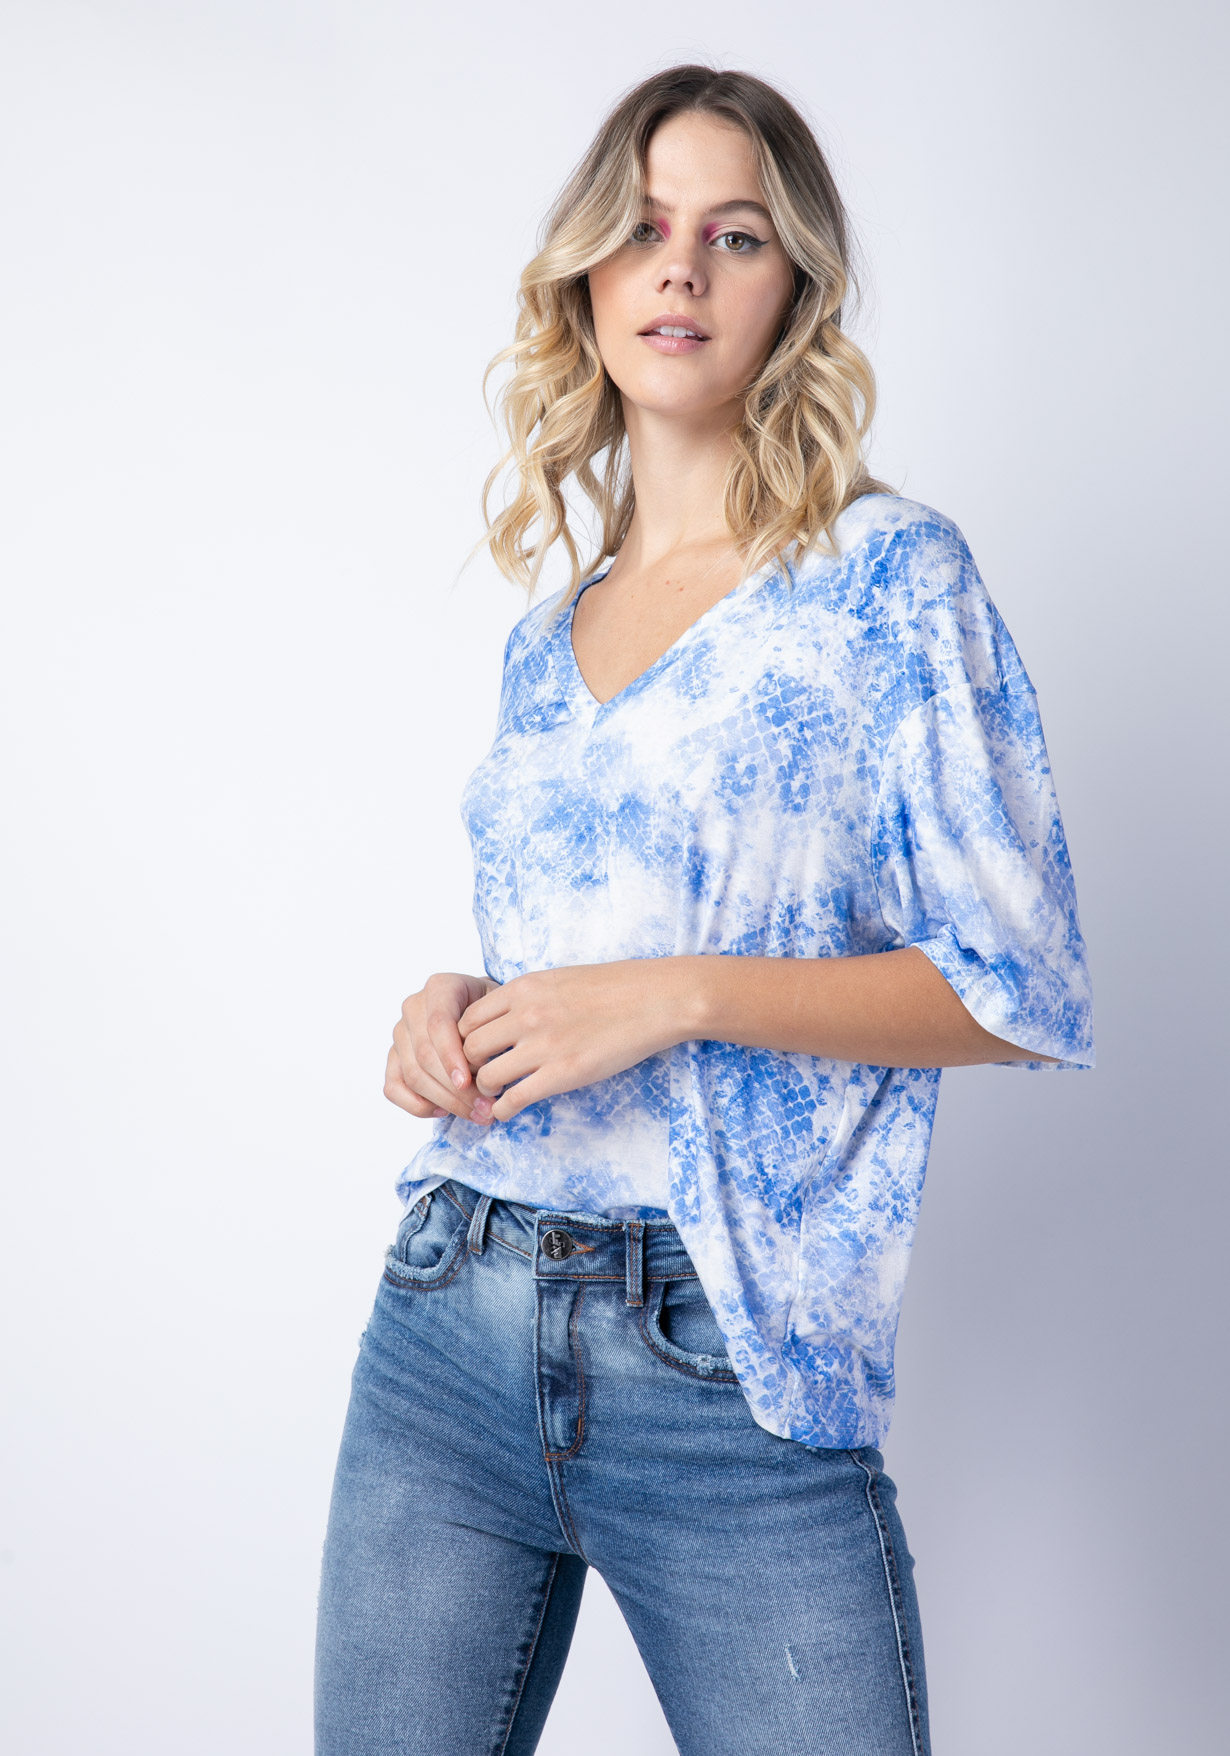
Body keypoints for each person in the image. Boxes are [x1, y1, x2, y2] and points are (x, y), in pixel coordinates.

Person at [314, 64, 1094, 1756]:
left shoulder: (888, 581)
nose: (678, 267)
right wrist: (454, 1007)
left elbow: (1017, 987)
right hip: (451, 1310)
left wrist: (680, 992)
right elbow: (565, 976)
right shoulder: (548, 635)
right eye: (643, 229)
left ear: (791, 287)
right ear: (587, 279)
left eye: (732, 236)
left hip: (727, 1355)